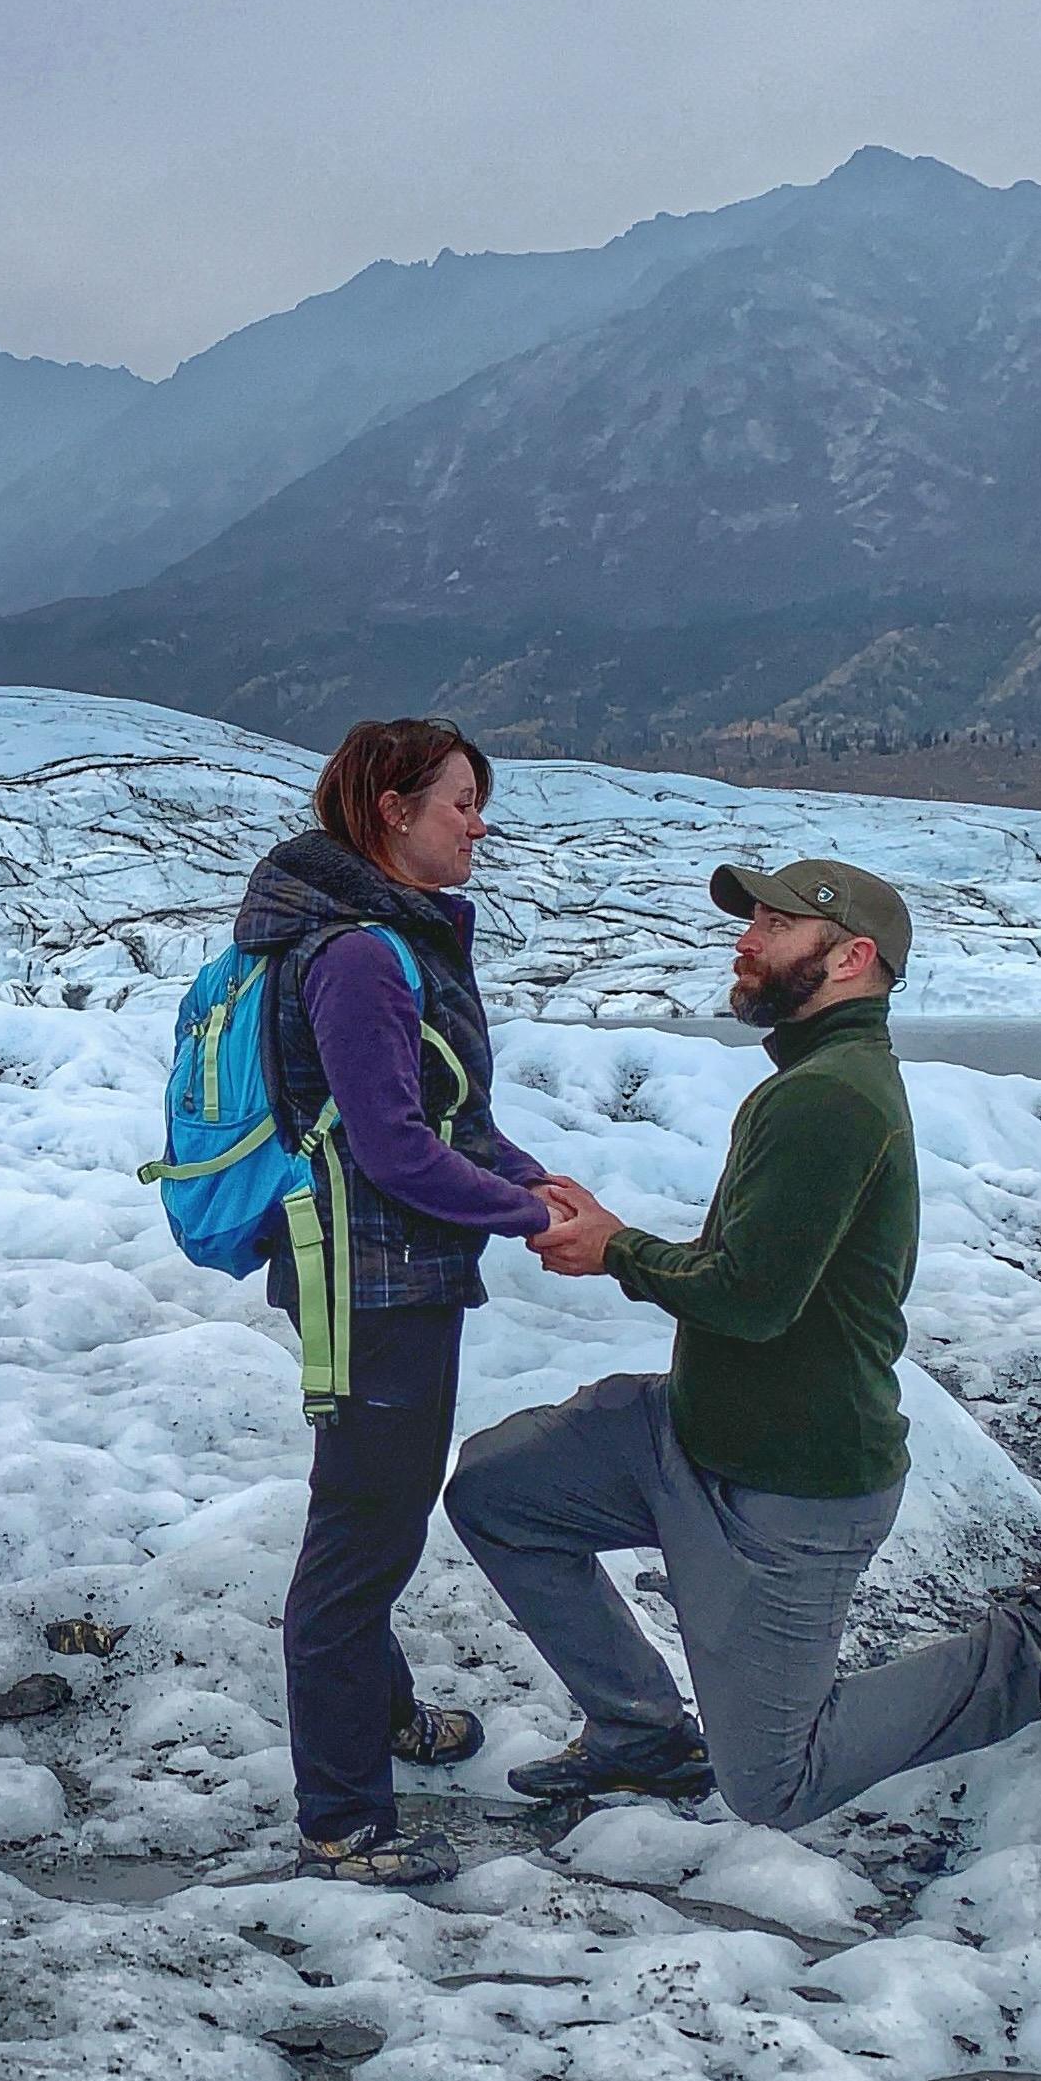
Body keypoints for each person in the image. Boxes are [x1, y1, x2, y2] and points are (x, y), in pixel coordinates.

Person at [443, 852, 1041, 1829]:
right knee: (497, 1492)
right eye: (752, 922)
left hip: (790, 1489)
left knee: (777, 1784)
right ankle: (640, 1733)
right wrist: (620, 1237)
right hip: (689, 1437)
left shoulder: (828, 1098)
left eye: (776, 926)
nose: (747, 939)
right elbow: (759, 1266)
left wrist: (617, 1250)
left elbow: (752, 1299)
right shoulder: (818, 1080)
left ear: (853, 957)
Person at [234, 718, 589, 1889]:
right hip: (366, 1285)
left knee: (376, 1511)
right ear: (391, 809)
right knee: (359, 1541)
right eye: (460, 804)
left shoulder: (398, 941)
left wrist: (529, 1176)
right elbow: (390, 1147)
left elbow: (445, 1114)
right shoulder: (355, 957)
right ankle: (341, 1819)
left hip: (391, 1274)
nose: (478, 825)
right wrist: (528, 1218)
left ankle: (382, 1722)